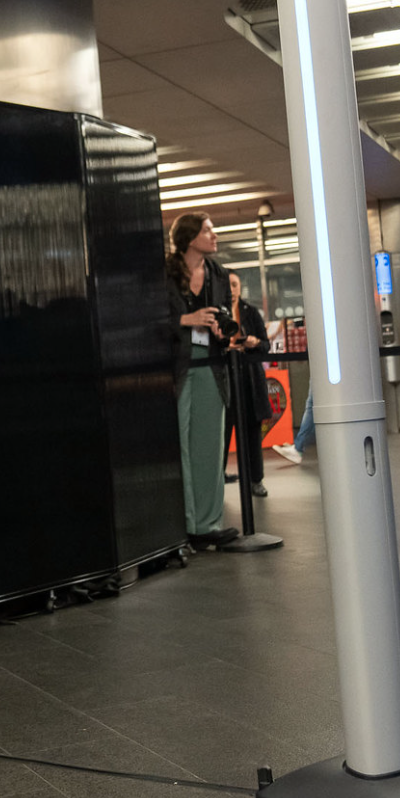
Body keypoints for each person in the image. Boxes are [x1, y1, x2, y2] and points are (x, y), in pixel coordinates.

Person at [168, 212, 238, 548]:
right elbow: (147, 319)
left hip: (211, 365)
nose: (214, 234)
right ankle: (181, 525)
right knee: (177, 446)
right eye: (207, 229)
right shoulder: (164, 272)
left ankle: (208, 525)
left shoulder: (219, 275)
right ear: (189, 236)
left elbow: (226, 322)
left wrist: (219, 331)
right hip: (176, 368)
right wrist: (187, 319)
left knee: (210, 446)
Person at [223, 272, 274, 492]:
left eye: (235, 285)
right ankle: (217, 478)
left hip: (249, 380)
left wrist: (254, 342)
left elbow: (266, 346)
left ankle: (256, 480)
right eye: (228, 285)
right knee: (222, 432)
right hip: (225, 379)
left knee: (253, 431)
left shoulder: (251, 312)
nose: (232, 289)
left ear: (240, 287)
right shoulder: (217, 313)